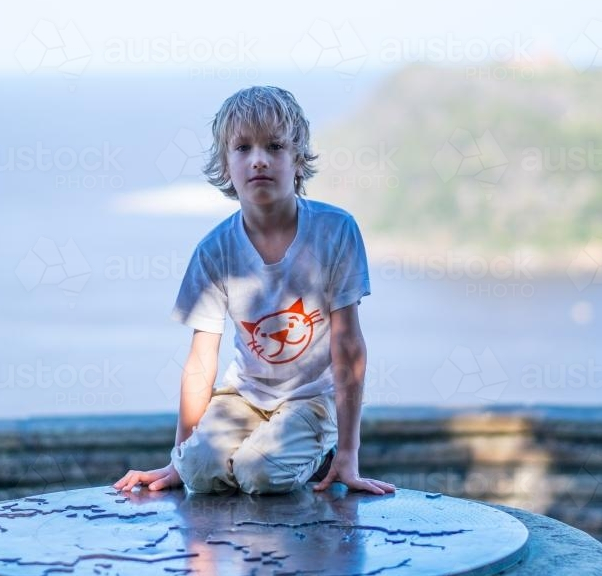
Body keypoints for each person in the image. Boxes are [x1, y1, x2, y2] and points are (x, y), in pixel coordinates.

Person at [114, 86, 394, 496]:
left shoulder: (336, 232)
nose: (259, 158)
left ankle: (321, 453)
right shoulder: (215, 250)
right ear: (226, 165)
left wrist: (350, 453)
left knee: (258, 472)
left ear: (297, 160)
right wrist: (181, 459)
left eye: (275, 146)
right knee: (200, 472)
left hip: (312, 400)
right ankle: (250, 454)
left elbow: (348, 346)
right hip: (245, 396)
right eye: (243, 147)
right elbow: (200, 361)